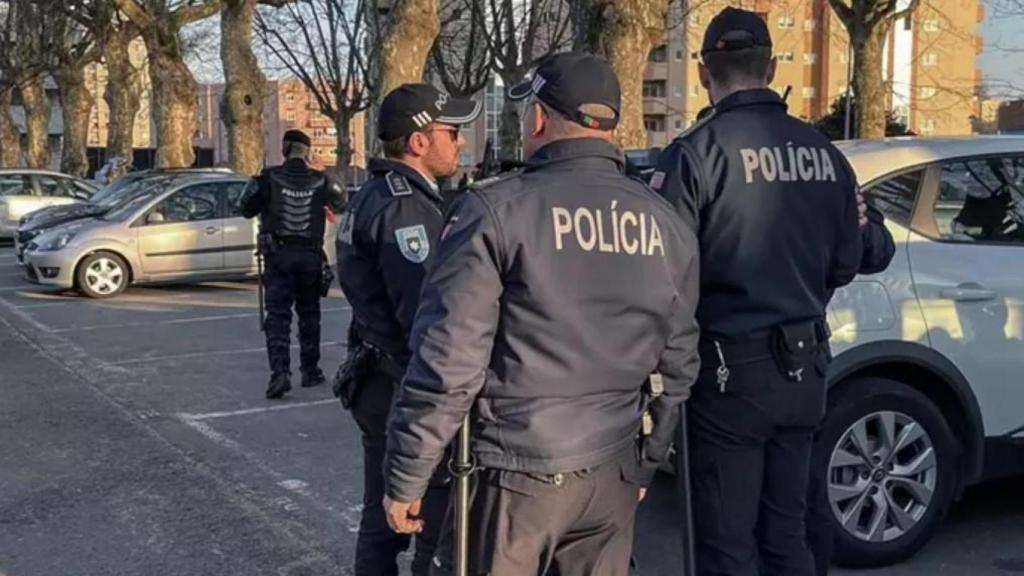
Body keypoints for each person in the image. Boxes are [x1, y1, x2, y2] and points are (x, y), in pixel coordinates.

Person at [382, 52, 701, 576]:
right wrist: (646, 462)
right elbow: (678, 365)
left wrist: (407, 475)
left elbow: (449, 362)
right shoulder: (665, 223)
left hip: (516, 475)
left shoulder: (493, 210)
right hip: (613, 468)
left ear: (537, 118)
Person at [649, 8, 863, 576]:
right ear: (770, 66)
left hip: (728, 375)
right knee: (787, 536)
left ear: (702, 73)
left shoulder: (695, 154)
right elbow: (851, 260)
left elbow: (663, 278)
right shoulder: (825, 154)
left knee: (727, 545)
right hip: (807, 365)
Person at [334, 83, 480, 576]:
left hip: (378, 377)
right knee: (432, 524)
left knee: (382, 514)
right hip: (404, 385)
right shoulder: (406, 209)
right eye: (452, 132)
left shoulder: (377, 194)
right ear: (419, 141)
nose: (459, 142)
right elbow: (427, 318)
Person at [806, 201, 895, 576]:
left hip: (770, 352)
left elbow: (875, 249)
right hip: (798, 350)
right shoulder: (827, 166)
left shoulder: (828, 169)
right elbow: (872, 249)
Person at [242, 129, 340, 400]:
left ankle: (280, 373)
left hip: (279, 257)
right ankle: (310, 370)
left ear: (285, 149)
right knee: (310, 314)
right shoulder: (322, 180)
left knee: (278, 316)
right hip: (310, 256)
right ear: (306, 151)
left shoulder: (268, 178)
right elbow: (341, 201)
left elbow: (244, 206)